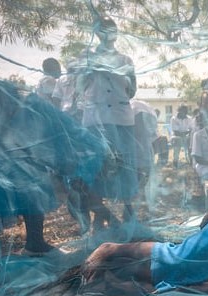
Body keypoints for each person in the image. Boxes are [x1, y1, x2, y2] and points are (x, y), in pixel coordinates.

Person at [0, 78, 107, 255]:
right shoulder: (14, 107)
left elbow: (65, 128)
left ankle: (35, 243)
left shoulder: (30, 107)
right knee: (27, 190)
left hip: (16, 161)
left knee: (31, 192)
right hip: (2, 161)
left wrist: (94, 146)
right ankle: (32, 242)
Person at [76, 15, 139, 228]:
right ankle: (100, 216)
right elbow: (80, 86)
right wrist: (92, 71)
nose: (107, 34)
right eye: (103, 29)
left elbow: (132, 90)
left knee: (125, 164)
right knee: (99, 166)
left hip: (122, 119)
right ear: (96, 33)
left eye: (111, 29)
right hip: (96, 119)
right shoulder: (86, 57)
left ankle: (129, 213)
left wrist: (118, 96)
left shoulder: (126, 60)